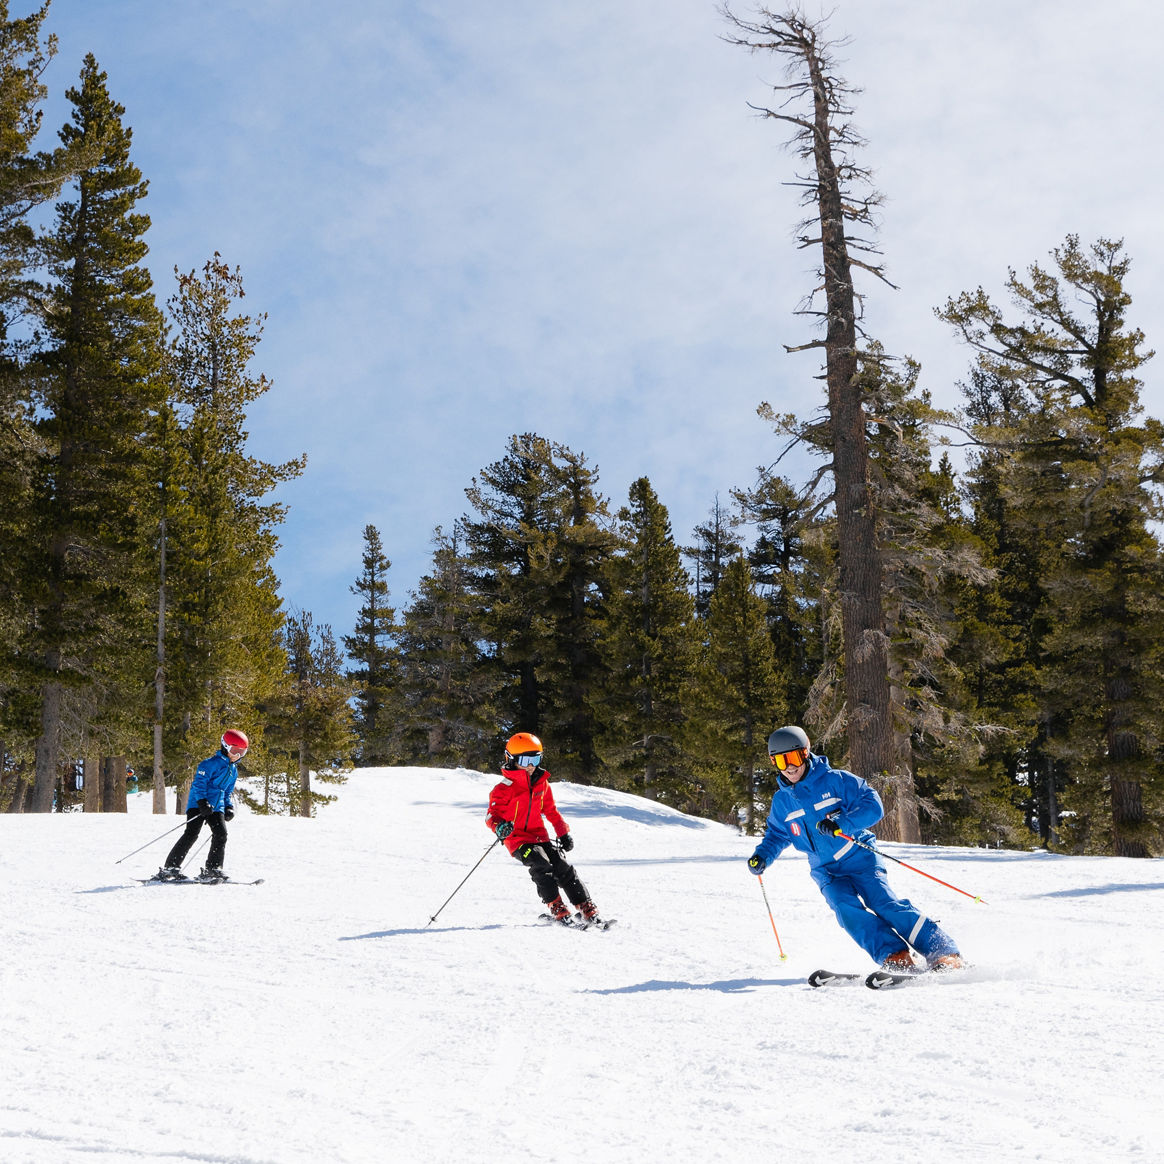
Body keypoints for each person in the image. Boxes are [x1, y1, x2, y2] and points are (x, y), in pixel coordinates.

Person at [747, 725, 964, 973]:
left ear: (805, 753)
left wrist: (842, 823)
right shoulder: (782, 802)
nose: (789, 767)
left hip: (860, 858)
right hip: (825, 870)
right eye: (780, 760)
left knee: (885, 905)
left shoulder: (837, 781)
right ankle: (895, 955)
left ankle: (944, 952)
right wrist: (762, 856)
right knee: (846, 911)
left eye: (793, 757)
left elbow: (873, 806)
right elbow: (777, 834)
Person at [485, 732, 604, 926]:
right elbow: (491, 816)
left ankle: (586, 908)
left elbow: (551, 811)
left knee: (562, 867)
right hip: (517, 839)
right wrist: (500, 828)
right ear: (512, 759)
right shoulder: (503, 788)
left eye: (536, 758)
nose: (531, 765)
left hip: (540, 837)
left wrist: (563, 833)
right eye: (525, 760)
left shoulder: (542, 784)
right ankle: (557, 907)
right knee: (540, 864)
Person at [156, 729, 248, 883]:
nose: (237, 756)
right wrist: (201, 802)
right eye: (235, 751)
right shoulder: (209, 764)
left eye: (242, 752)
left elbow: (226, 791)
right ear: (225, 746)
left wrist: (228, 807)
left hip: (216, 807)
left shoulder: (233, 770)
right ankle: (170, 868)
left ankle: (213, 869)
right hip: (198, 803)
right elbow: (199, 784)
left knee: (221, 834)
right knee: (191, 834)